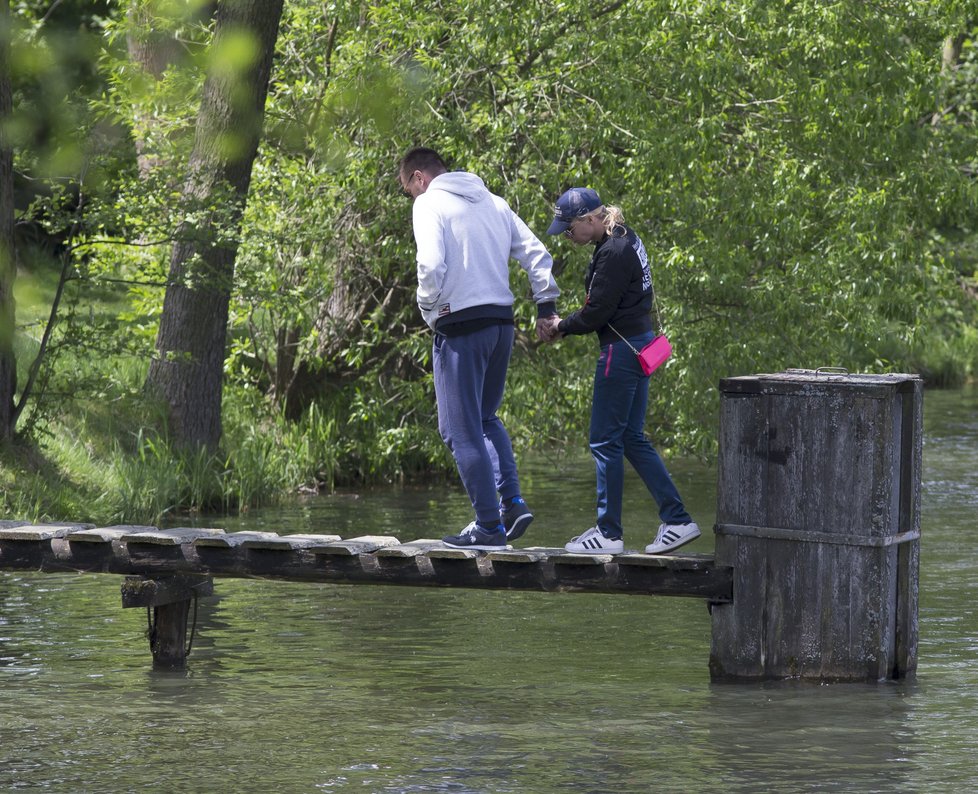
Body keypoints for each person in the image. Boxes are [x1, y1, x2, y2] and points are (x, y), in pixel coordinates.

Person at [399, 147, 560, 550]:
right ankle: (511, 503)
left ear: (419, 178)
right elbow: (537, 253)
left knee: (458, 428)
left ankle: (489, 528)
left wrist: (428, 307)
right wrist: (546, 306)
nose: (411, 198)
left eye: (408, 190)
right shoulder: (494, 202)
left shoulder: (428, 203)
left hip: (460, 327)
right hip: (501, 325)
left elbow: (431, 265)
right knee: (485, 417)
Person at [540, 187, 699, 555]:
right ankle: (677, 520)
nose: (567, 236)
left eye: (568, 229)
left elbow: (598, 312)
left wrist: (561, 326)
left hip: (621, 351)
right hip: (640, 342)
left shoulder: (612, 251)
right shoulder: (625, 236)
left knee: (603, 440)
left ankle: (608, 533)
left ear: (590, 220)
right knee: (630, 437)